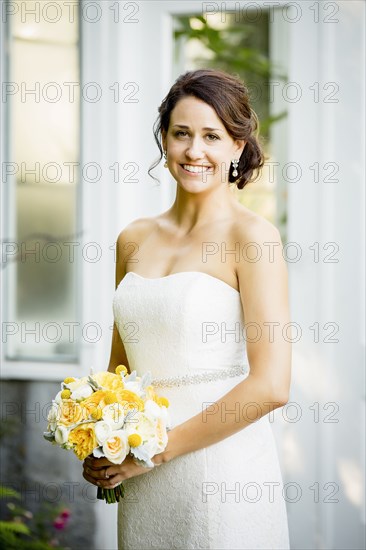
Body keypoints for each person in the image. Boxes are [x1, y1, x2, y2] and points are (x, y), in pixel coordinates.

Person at [83, 68, 292, 549]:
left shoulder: (253, 238)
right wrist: (99, 440)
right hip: (143, 478)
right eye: (182, 134)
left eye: (212, 136)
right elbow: (119, 371)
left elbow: (272, 385)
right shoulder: (132, 239)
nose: (195, 151)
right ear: (164, 139)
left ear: (237, 146)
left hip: (221, 472)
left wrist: (152, 453)